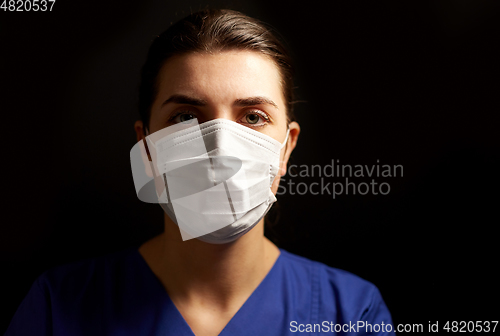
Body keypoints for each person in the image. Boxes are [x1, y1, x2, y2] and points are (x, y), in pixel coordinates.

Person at [5, 9, 395, 336]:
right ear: (147, 147)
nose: (221, 149)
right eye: (187, 117)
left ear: (286, 147)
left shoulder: (351, 314)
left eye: (253, 117)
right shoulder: (58, 308)